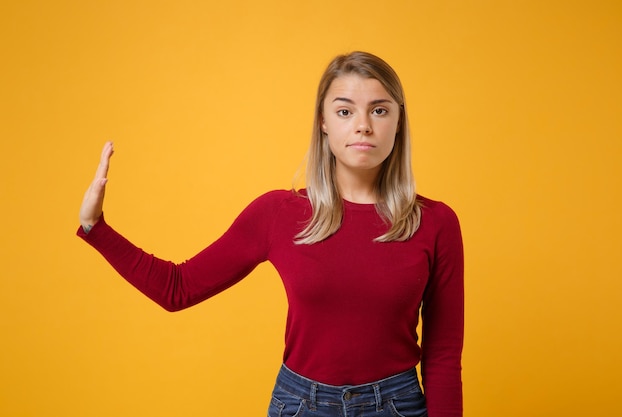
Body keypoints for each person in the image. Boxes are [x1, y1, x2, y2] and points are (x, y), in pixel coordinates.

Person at [78, 51, 464, 417]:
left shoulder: (435, 223)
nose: (363, 124)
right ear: (323, 122)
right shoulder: (279, 214)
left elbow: (443, 354)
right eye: (345, 111)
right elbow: (176, 288)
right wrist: (96, 228)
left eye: (379, 110)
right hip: (301, 405)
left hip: (397, 405)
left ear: (398, 120)